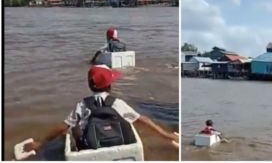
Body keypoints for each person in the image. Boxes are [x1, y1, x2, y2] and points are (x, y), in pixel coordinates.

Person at [23, 64, 178, 159]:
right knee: (129, 120)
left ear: (90, 85)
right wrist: (166, 135)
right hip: (118, 142)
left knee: (71, 127)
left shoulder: (82, 105)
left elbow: (61, 127)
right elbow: (143, 120)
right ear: (110, 85)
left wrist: (41, 143)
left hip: (91, 146)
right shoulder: (118, 103)